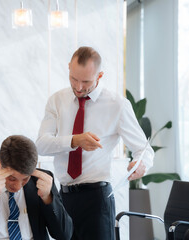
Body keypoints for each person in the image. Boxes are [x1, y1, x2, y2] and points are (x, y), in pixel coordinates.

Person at [36, 46, 154, 239]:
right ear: (68, 68)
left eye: (86, 81)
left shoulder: (118, 105)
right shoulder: (57, 100)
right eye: (74, 79)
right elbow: (41, 144)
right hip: (63, 197)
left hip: (97, 200)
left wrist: (142, 164)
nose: (79, 87)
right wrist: (74, 140)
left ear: (100, 76)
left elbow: (144, 149)